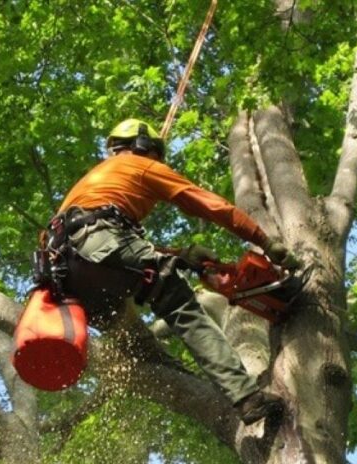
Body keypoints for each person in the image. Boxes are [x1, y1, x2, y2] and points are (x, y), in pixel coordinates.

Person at [51, 119, 299, 425]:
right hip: (101, 243)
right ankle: (246, 397)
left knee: (142, 334)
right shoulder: (141, 165)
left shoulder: (93, 184)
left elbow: (118, 252)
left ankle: (177, 378)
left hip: (67, 276)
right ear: (144, 147)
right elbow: (210, 205)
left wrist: (183, 256)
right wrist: (264, 240)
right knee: (180, 304)